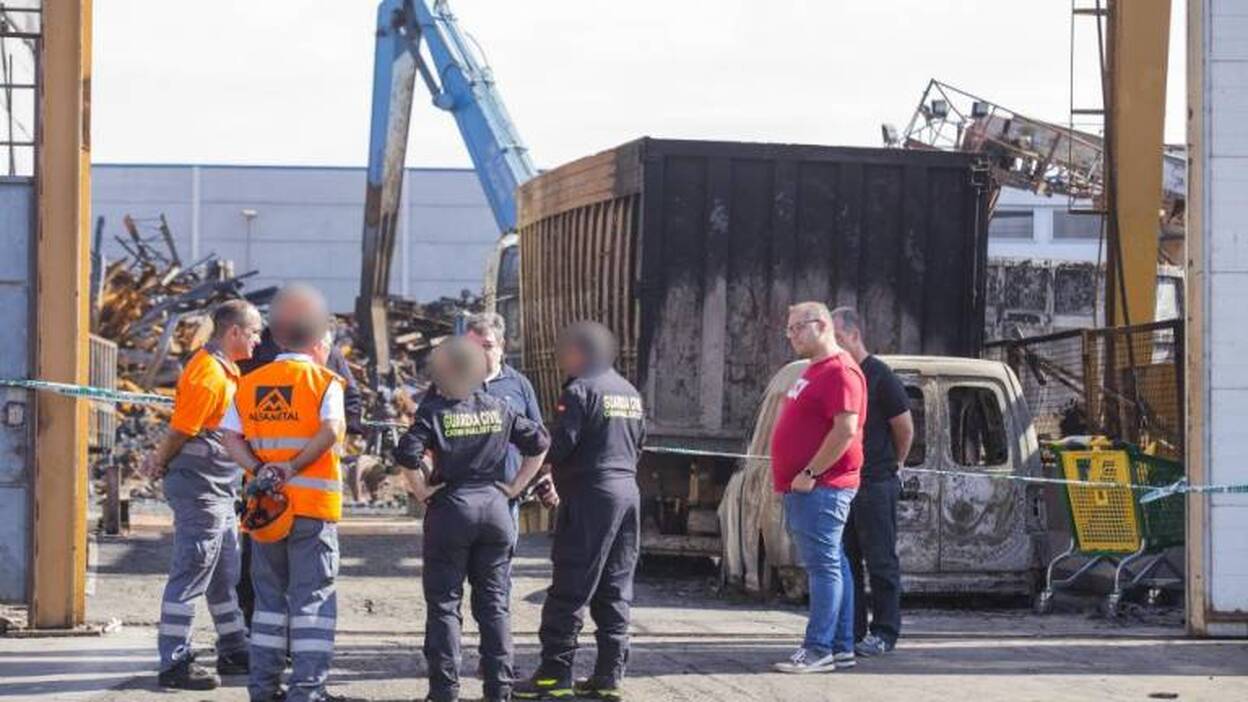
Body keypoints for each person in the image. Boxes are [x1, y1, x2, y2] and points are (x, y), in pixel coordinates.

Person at [393, 337, 551, 702]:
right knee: (494, 604)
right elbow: (540, 442)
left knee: (445, 605)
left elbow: (406, 454)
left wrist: (422, 491)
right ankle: (499, 691)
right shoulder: (499, 407)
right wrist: (516, 487)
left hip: (451, 510)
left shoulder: (434, 411)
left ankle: (445, 691)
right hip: (496, 510)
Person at [222, 285, 346, 702]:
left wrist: (259, 469)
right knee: (312, 603)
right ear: (315, 340)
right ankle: (307, 690)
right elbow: (331, 430)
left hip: (266, 510)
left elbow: (229, 436)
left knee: (269, 603)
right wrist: (292, 466)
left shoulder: (250, 383)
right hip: (312, 509)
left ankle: (263, 689)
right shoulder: (325, 383)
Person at [514, 321, 645, 701]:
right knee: (615, 587)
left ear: (580, 352)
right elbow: (640, 444)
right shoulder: (629, 391)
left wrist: (529, 448)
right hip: (627, 493)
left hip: (590, 496)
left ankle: (554, 676)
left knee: (570, 587)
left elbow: (561, 446)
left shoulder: (579, 390)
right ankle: (609, 677)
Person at [141, 300, 263, 690]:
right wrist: (158, 461)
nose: (258, 340)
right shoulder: (208, 374)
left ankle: (234, 647)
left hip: (219, 491)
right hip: (201, 490)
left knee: (224, 574)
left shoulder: (225, 371)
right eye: (254, 332)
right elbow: (181, 430)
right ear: (234, 332)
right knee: (192, 571)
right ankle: (174, 661)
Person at [235, 291, 364, 627]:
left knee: (280, 584)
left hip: (288, 490)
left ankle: (269, 648)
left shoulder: (325, 364)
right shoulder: (260, 352)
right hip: (276, 494)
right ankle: (276, 641)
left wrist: (333, 439)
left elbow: (349, 406)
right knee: (286, 584)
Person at [770, 302, 866, 675]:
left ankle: (817, 649)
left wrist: (810, 471)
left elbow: (845, 429)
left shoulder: (840, 371)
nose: (791, 335)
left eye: (798, 327)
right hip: (811, 487)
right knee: (834, 563)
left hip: (822, 486)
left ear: (822, 325)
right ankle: (840, 647)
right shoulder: (814, 369)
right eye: (789, 329)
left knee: (824, 567)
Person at [832, 307, 913, 657]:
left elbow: (904, 428)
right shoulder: (839, 375)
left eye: (838, 338)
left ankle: (885, 631)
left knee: (880, 561)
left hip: (877, 482)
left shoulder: (880, 375)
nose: (833, 345)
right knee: (847, 560)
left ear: (854, 335)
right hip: (844, 483)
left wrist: (895, 463)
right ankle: (852, 631)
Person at [463, 312, 546, 527]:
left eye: (487, 346)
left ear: (502, 346)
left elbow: (539, 441)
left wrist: (517, 486)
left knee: (501, 550)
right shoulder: (451, 384)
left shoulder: (519, 385)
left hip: (503, 501)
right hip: (459, 502)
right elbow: (424, 439)